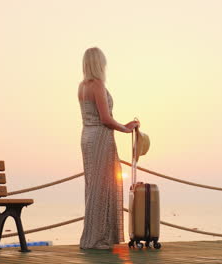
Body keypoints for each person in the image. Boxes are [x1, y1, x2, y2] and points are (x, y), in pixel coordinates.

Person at [78, 47, 140, 249]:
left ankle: (92, 236)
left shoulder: (82, 86)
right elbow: (105, 118)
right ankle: (98, 238)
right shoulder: (97, 85)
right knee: (103, 186)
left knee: (93, 187)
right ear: (99, 63)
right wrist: (125, 128)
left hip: (87, 136)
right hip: (100, 138)